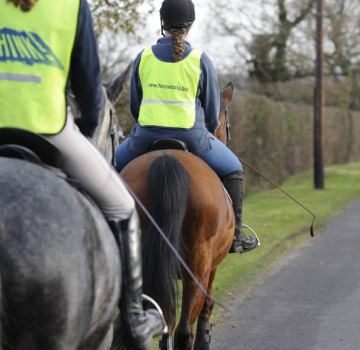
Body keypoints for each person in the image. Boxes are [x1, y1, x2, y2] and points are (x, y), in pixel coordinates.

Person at [0, 0, 165, 348]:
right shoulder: (71, 4)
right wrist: (88, 125)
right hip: (50, 130)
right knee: (121, 207)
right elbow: (90, 94)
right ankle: (134, 319)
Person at [115, 0, 258, 254]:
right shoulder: (200, 60)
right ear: (190, 26)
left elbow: (135, 107)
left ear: (162, 24)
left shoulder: (143, 57)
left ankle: (108, 232)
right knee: (234, 168)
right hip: (193, 140)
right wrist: (205, 130)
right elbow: (213, 114)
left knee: (110, 166)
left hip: (145, 138)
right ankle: (236, 236)